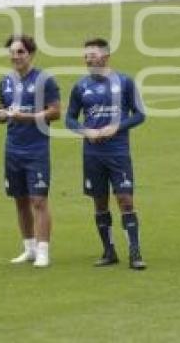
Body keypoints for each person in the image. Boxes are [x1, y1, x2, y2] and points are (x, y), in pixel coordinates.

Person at [66, 38, 147, 270]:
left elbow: (140, 115)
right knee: (99, 203)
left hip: (118, 152)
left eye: (92, 54)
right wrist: (85, 130)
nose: (88, 58)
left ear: (106, 56)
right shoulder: (80, 86)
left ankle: (135, 252)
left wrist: (117, 127)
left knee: (125, 199)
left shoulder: (124, 82)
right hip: (92, 153)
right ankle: (109, 251)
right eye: (86, 55)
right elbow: (70, 118)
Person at [0, 35, 60, 268]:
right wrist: (0, 115)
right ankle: (29, 248)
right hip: (13, 149)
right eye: (12, 52)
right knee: (20, 200)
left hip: (37, 149)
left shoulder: (44, 80)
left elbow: (55, 112)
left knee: (39, 200)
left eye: (20, 52)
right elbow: (3, 109)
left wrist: (28, 118)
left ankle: (43, 250)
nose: (15, 56)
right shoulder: (6, 81)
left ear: (30, 54)